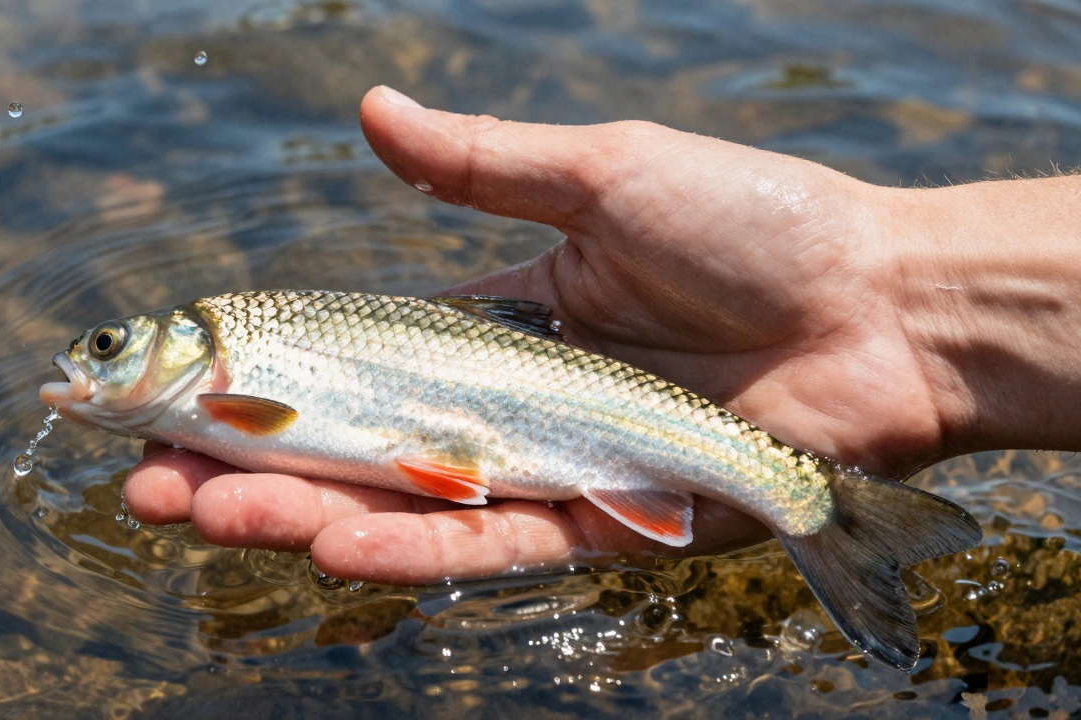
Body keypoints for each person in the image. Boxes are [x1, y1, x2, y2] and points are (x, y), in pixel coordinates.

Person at [122, 85, 1081, 585]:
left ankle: (823, 510)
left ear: (194, 357)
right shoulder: (230, 361)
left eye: (108, 348)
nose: (91, 363)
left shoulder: (228, 376)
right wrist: (906, 306)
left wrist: (895, 299)